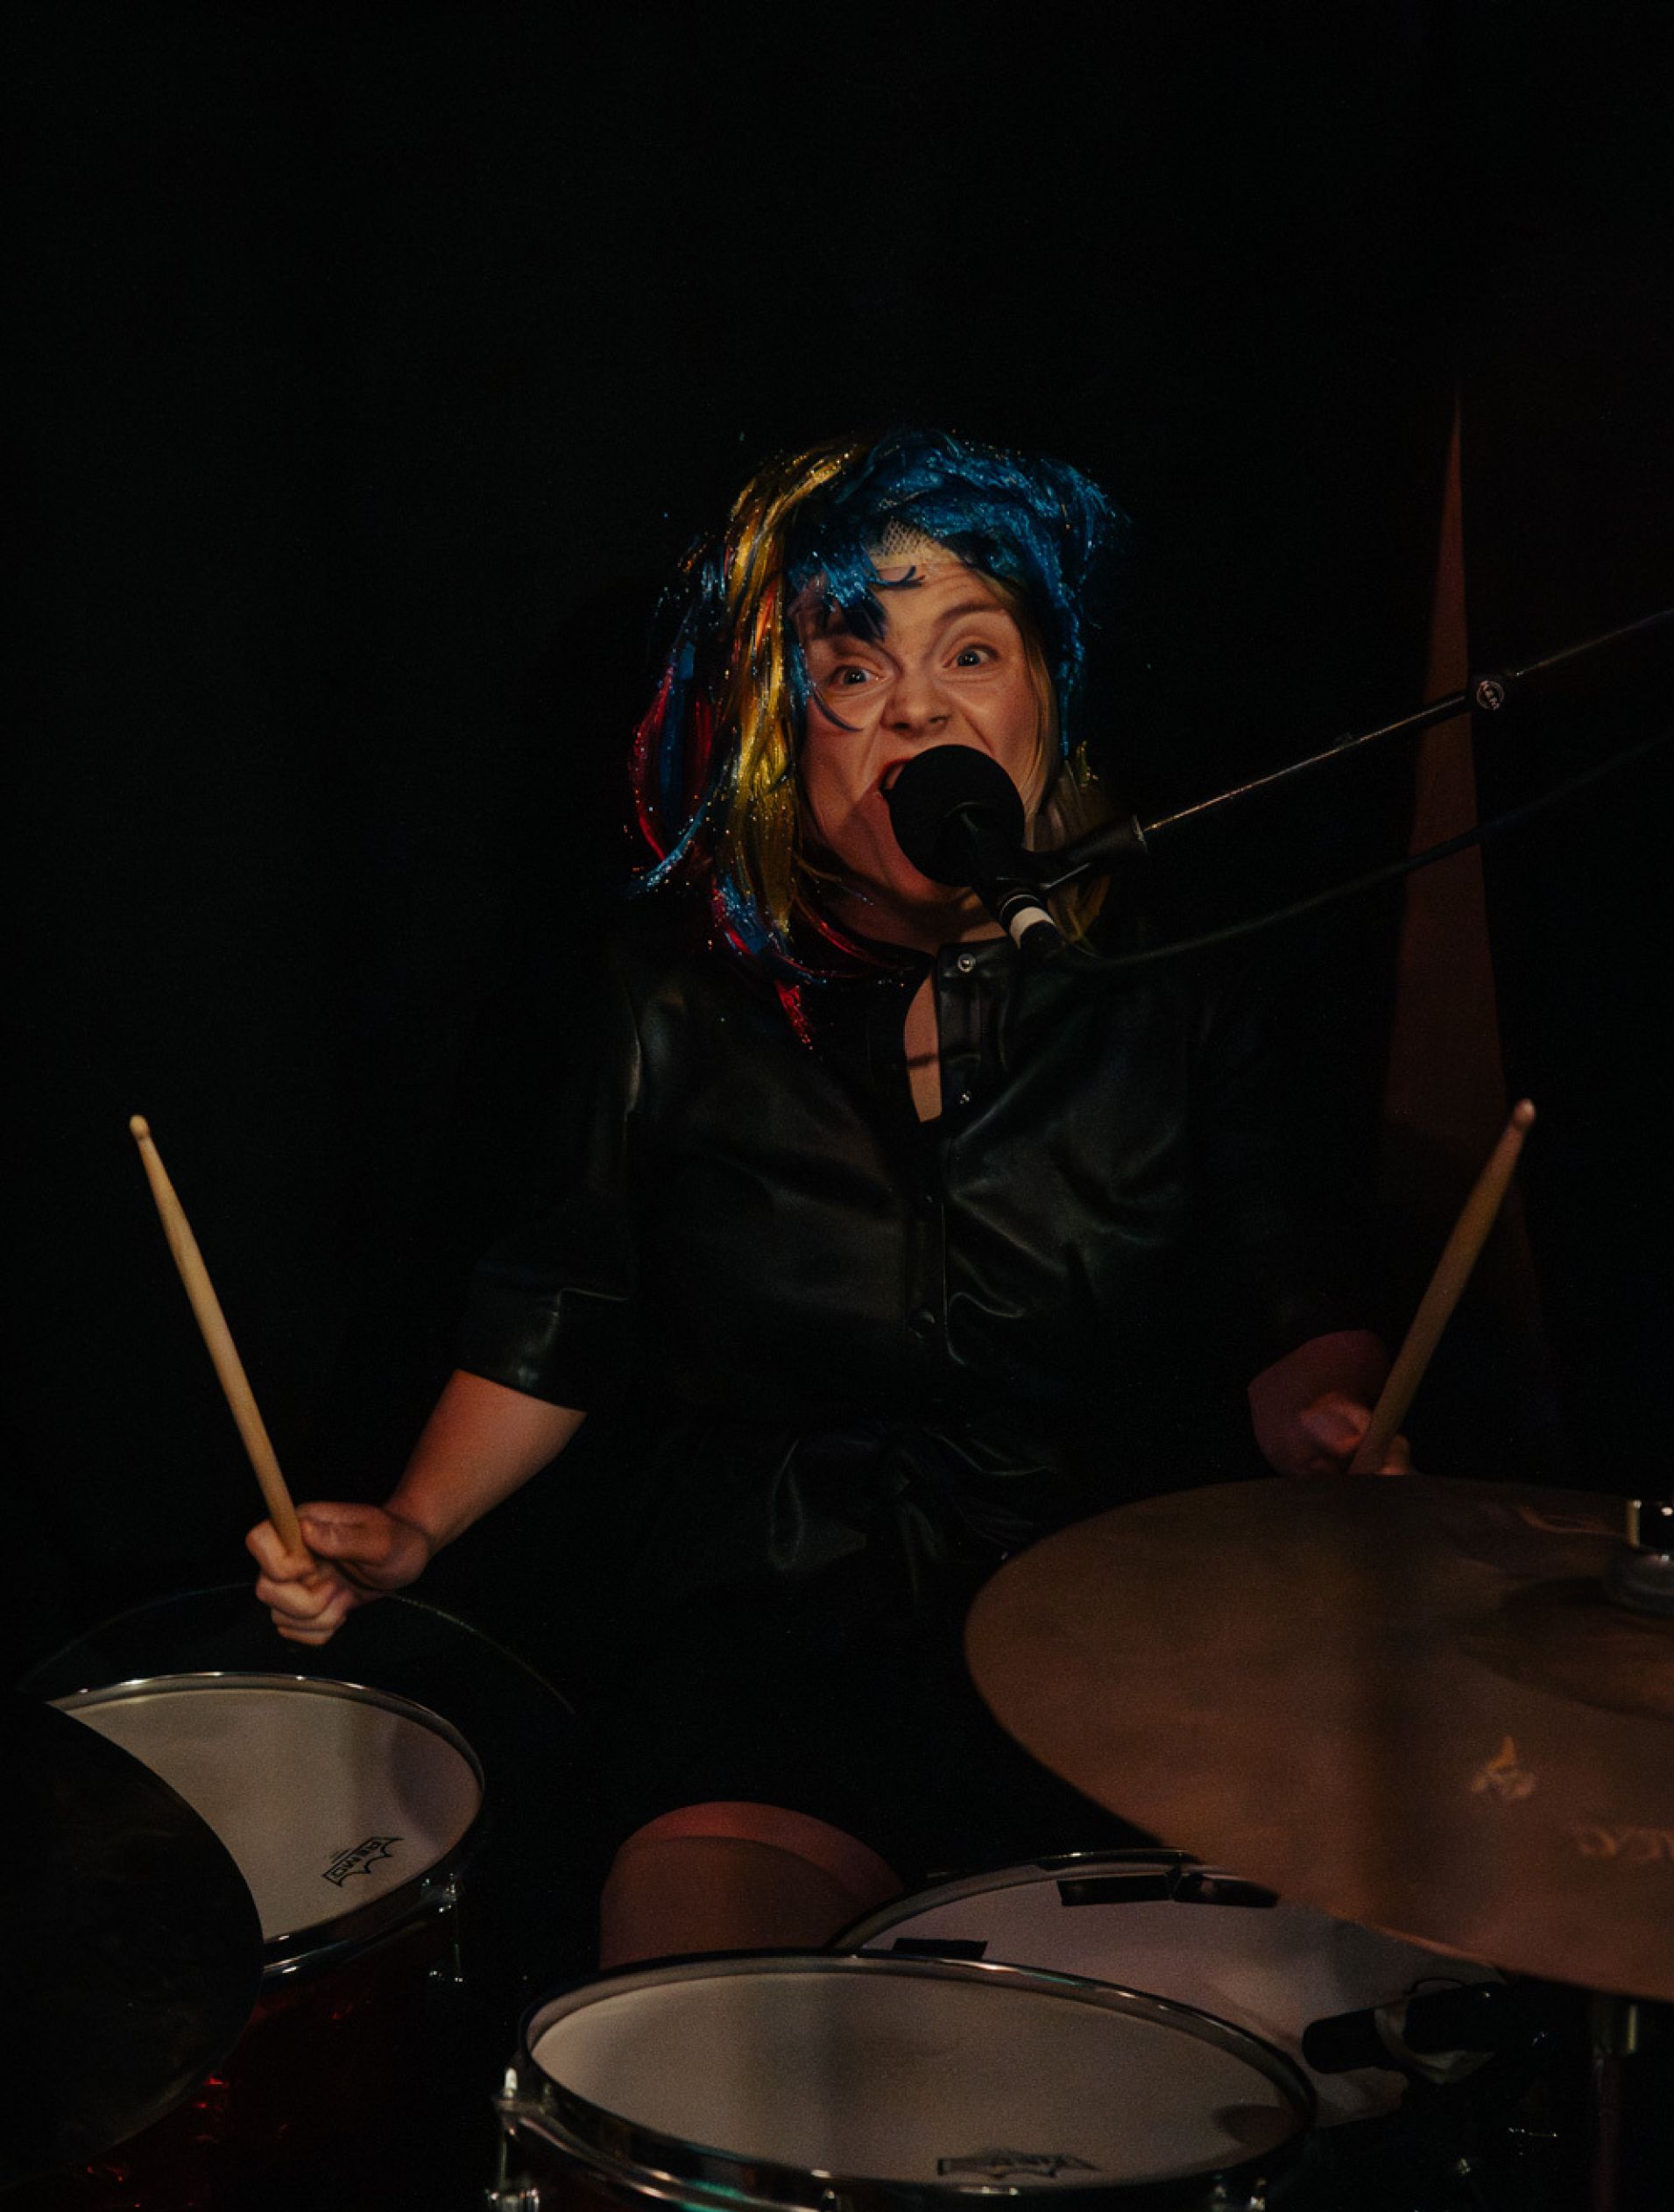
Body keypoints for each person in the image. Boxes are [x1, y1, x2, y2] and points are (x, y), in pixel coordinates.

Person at [249, 427, 1405, 1967]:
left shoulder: (1178, 975)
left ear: (1048, 698)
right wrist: (410, 1524)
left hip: (1122, 1630)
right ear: (781, 732)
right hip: (775, 1638)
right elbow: (559, 1308)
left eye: (971, 652)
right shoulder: (676, 995)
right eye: (853, 670)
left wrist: (1330, 1414)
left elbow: (1295, 1306)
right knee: (699, 2016)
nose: (916, 707)